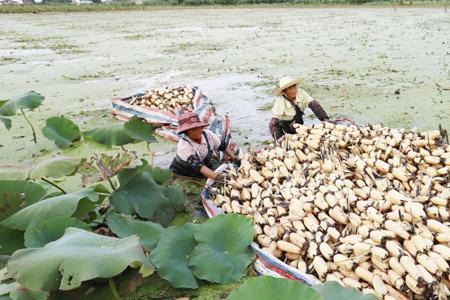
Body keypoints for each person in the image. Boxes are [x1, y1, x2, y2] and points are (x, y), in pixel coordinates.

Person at [170, 111, 237, 180]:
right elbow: (198, 166)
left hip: (203, 165)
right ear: (186, 132)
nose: (197, 131)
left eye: (198, 127)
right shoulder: (184, 146)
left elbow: (222, 146)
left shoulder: (208, 135)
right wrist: (217, 177)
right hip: (184, 171)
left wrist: (234, 158)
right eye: (192, 129)